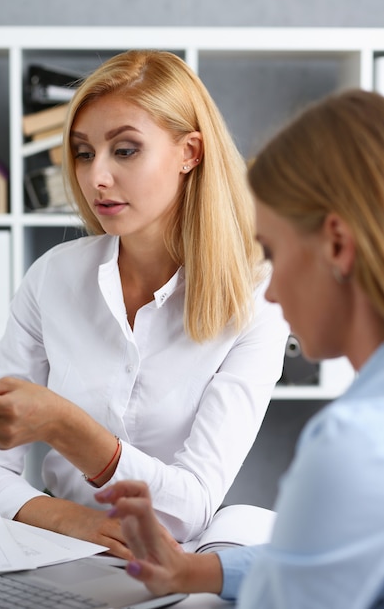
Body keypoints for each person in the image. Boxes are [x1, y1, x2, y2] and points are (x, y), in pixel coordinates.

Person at [0, 50, 288, 559]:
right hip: (56, 547)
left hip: (176, 561)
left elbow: (191, 506)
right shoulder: (52, 277)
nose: (96, 178)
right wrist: (68, 519)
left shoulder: (256, 297)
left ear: (190, 152)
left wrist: (63, 425)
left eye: (125, 150)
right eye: (83, 152)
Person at [97, 88, 384, 608]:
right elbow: (319, 557)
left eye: (272, 251)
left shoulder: (354, 444)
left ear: (337, 245)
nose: (268, 291)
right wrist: (194, 570)